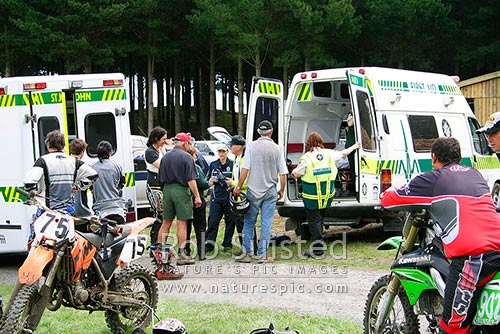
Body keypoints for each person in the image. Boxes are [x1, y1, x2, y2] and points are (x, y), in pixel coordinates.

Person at [380, 137, 500, 334]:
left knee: (451, 329)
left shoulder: (433, 179)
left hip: (475, 257)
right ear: (459, 157)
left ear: (433, 158)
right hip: (495, 247)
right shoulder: (475, 175)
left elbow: (391, 200)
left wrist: (387, 192)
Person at [291, 132, 360, 258]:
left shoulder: (307, 158)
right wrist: (355, 146)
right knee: (320, 220)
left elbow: (297, 173)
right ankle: (319, 245)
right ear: (320, 142)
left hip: (312, 198)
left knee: (314, 222)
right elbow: (344, 153)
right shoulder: (329, 154)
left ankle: (318, 250)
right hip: (327, 196)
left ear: (308, 144)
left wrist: (293, 173)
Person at [24, 130, 98, 246]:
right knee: (71, 242)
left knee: (34, 239)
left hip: (47, 211)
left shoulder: (42, 161)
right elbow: (93, 175)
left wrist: (33, 192)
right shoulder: (73, 161)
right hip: (69, 211)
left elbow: (29, 183)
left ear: (48, 145)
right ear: (63, 145)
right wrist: (77, 186)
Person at [233, 120, 288, 263]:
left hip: (252, 190)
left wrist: (238, 186)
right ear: (271, 132)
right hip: (270, 190)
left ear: (258, 132)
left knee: (249, 222)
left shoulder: (251, 146)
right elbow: (283, 173)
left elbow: (245, 169)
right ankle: (262, 254)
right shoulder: (277, 148)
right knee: (266, 223)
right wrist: (281, 190)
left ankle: (247, 253)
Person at [158, 132, 202, 265]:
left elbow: (160, 177)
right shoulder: (186, 157)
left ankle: (159, 253)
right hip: (180, 190)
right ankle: (182, 254)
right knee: (181, 223)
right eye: (188, 142)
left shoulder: (165, 157)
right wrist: (197, 196)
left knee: (166, 222)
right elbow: (191, 179)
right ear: (184, 143)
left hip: (167, 190)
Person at [228, 135, 257, 253]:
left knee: (248, 223)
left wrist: (234, 184)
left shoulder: (245, 159)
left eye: (232, 145)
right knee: (239, 223)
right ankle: (244, 247)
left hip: (245, 195)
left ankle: (251, 248)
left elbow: (246, 178)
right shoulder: (236, 158)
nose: (230, 147)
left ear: (239, 147)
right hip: (238, 195)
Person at [205, 143, 235, 252]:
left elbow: (235, 179)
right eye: (219, 151)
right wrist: (212, 181)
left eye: (223, 151)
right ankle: (209, 243)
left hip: (229, 197)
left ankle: (227, 243)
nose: (221, 153)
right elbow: (208, 181)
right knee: (213, 221)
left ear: (227, 152)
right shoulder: (213, 164)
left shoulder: (232, 164)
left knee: (230, 221)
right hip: (216, 198)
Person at [185, 144, 212, 260]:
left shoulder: (181, 167)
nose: (196, 157)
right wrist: (210, 182)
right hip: (198, 199)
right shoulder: (196, 168)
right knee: (200, 227)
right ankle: (201, 252)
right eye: (195, 155)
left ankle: (186, 250)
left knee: (186, 226)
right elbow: (202, 183)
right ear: (192, 156)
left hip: (185, 200)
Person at [91, 141, 126, 224]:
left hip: (99, 208)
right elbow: (122, 184)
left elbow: (90, 186)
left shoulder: (92, 167)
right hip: (117, 206)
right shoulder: (117, 166)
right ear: (111, 152)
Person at [145, 126, 169, 242]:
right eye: (163, 139)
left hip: (162, 183)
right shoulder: (150, 152)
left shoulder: (161, 149)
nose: (165, 141)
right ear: (156, 138)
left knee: (165, 215)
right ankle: (154, 241)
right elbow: (162, 165)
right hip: (154, 185)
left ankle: (161, 241)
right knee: (159, 214)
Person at [69, 139, 93, 217]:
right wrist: (78, 186)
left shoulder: (64, 164)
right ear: (82, 152)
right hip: (81, 211)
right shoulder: (83, 167)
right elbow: (94, 175)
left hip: (65, 208)